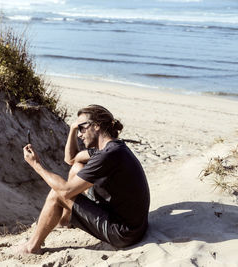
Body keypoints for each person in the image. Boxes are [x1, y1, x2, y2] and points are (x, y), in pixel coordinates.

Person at [16, 104, 150, 254]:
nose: (80, 134)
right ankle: (64, 221)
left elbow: (65, 192)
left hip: (123, 233)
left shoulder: (108, 155)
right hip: (134, 224)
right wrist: (73, 128)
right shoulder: (111, 148)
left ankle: (31, 247)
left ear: (97, 126)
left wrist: (36, 165)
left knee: (57, 194)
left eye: (82, 128)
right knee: (77, 168)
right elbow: (71, 159)